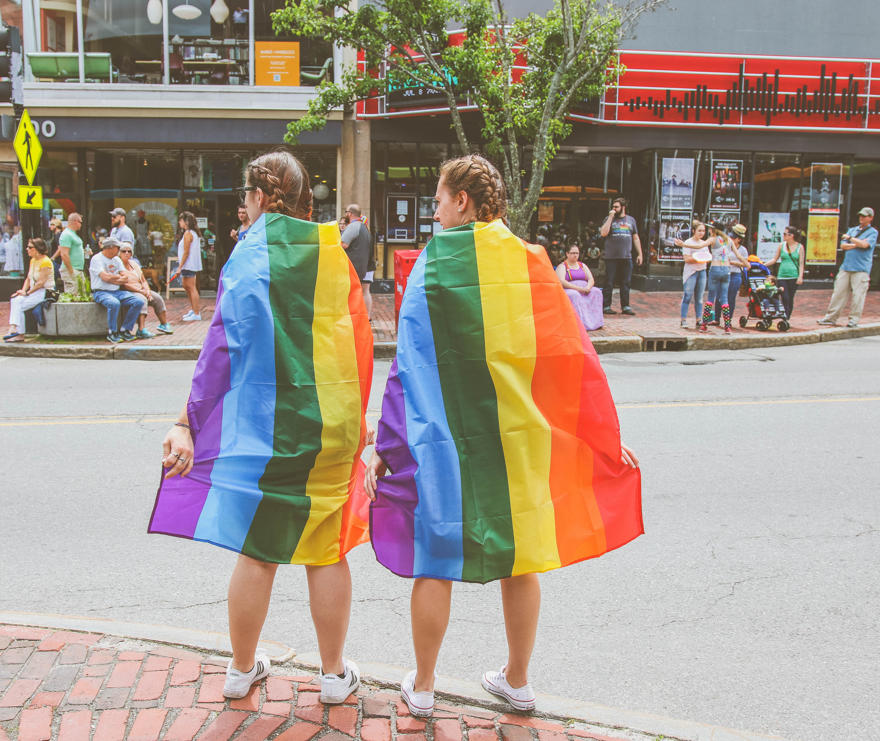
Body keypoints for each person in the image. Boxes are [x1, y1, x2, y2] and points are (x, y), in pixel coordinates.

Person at [364, 154, 642, 717]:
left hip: (444, 443)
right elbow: (569, 361)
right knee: (520, 558)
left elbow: (408, 368)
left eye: (439, 201)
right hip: (517, 440)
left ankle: (421, 686)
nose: (436, 213)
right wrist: (598, 437)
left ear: (461, 200)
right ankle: (517, 680)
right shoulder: (530, 261)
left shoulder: (432, 266)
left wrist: (388, 447)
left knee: (434, 559)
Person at [149, 149, 374, 707]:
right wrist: (358, 416)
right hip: (327, 423)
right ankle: (332, 674)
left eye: (245, 196)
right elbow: (356, 344)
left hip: (261, 428)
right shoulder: (332, 254)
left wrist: (188, 422)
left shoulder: (247, 258)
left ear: (260, 197)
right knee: (325, 549)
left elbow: (221, 350)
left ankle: (241, 669)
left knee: (257, 550)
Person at [818, 207, 878, 328]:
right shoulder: (853, 229)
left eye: (864, 216)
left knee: (858, 296)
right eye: (860, 215)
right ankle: (830, 318)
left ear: (870, 218)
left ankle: (853, 320)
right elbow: (843, 246)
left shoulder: (873, 232)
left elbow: (865, 245)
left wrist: (850, 239)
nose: (861, 218)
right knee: (838, 293)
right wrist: (857, 243)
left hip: (861, 269)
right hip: (846, 267)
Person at [89, 236, 147, 343]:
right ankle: (112, 332)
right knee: (114, 303)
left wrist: (113, 278)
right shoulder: (97, 259)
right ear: (110, 248)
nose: (119, 250)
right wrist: (116, 277)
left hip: (116, 291)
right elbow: (104, 277)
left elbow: (125, 277)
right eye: (118, 248)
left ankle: (125, 329)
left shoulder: (116, 259)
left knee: (138, 301)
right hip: (101, 292)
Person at [3, 238, 55, 342]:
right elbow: (28, 278)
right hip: (35, 291)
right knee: (16, 300)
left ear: (38, 249)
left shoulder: (46, 262)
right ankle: (15, 329)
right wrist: (22, 291)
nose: (27, 249)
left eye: (30, 247)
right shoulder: (33, 260)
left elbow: (41, 283)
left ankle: (17, 331)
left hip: (46, 292)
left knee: (19, 305)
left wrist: (27, 293)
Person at [700, 223, 749, 334]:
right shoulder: (728, 241)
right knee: (723, 299)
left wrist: (684, 244)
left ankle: (704, 324)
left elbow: (700, 245)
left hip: (720, 270)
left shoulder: (714, 239)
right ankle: (726, 326)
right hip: (726, 271)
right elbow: (741, 258)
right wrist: (746, 264)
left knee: (712, 298)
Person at [118, 241, 174, 337]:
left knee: (157, 298)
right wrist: (141, 292)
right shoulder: (118, 265)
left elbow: (143, 280)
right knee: (142, 299)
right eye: (124, 251)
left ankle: (164, 324)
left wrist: (147, 290)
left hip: (141, 289)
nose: (127, 253)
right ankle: (141, 329)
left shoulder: (134, 264)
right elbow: (124, 285)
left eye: (129, 251)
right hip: (129, 291)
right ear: (119, 253)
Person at [599, 196, 643, 315]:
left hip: (626, 256)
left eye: (616, 207)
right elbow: (603, 233)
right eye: (613, 206)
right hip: (611, 257)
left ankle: (625, 306)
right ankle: (606, 305)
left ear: (623, 207)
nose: (614, 208)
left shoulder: (631, 220)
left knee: (626, 282)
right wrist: (610, 217)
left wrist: (640, 254)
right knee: (609, 281)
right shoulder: (608, 219)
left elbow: (635, 237)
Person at [555, 243, 603, 330]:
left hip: (585, 288)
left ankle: (596, 322)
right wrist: (579, 289)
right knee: (574, 295)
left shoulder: (582, 265)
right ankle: (578, 324)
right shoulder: (562, 266)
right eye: (572, 253)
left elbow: (591, 279)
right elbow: (562, 281)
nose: (575, 255)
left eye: (577, 253)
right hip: (570, 289)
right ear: (567, 254)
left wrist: (588, 287)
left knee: (597, 292)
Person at [675, 220, 711, 328]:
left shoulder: (704, 244)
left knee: (699, 297)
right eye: (699, 230)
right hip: (691, 272)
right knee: (687, 296)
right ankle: (683, 319)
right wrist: (699, 258)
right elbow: (687, 259)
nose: (701, 233)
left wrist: (700, 258)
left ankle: (699, 319)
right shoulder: (688, 243)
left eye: (703, 231)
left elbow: (708, 257)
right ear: (693, 230)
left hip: (702, 271)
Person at [341, 204, 374, 320]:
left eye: (346, 212)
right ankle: (366, 317)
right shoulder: (364, 227)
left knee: (351, 292)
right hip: (365, 265)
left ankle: (353, 316)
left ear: (349, 213)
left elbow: (343, 244)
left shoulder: (353, 226)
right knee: (365, 292)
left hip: (354, 266)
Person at [765, 226, 805, 320]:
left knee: (790, 297)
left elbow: (801, 263)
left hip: (793, 276)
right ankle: (784, 316)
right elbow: (775, 259)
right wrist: (763, 265)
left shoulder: (800, 247)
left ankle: (787, 316)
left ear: (791, 235)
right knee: (784, 296)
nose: (783, 235)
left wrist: (800, 276)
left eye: (785, 234)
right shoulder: (781, 245)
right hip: (782, 276)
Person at [172, 211, 203, 321]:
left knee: (191, 287)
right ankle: (194, 309)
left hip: (188, 264)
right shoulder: (191, 233)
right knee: (187, 287)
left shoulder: (188, 234)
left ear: (186, 222)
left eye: (180, 221)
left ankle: (196, 312)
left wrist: (180, 267)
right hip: (189, 264)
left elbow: (186, 252)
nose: (179, 223)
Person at [724, 224, 750, 319]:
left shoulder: (743, 250)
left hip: (735, 274)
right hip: (724, 273)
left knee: (731, 297)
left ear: (739, 239)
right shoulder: (726, 246)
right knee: (720, 296)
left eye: (733, 238)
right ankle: (717, 318)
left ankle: (728, 318)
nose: (730, 239)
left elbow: (746, 264)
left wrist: (734, 262)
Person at [57, 213, 85, 294]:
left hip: (78, 269)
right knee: (73, 296)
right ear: (75, 221)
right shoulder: (66, 234)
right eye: (80, 222)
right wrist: (71, 271)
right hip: (72, 270)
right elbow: (64, 254)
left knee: (81, 294)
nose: (81, 224)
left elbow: (74, 249)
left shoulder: (73, 234)